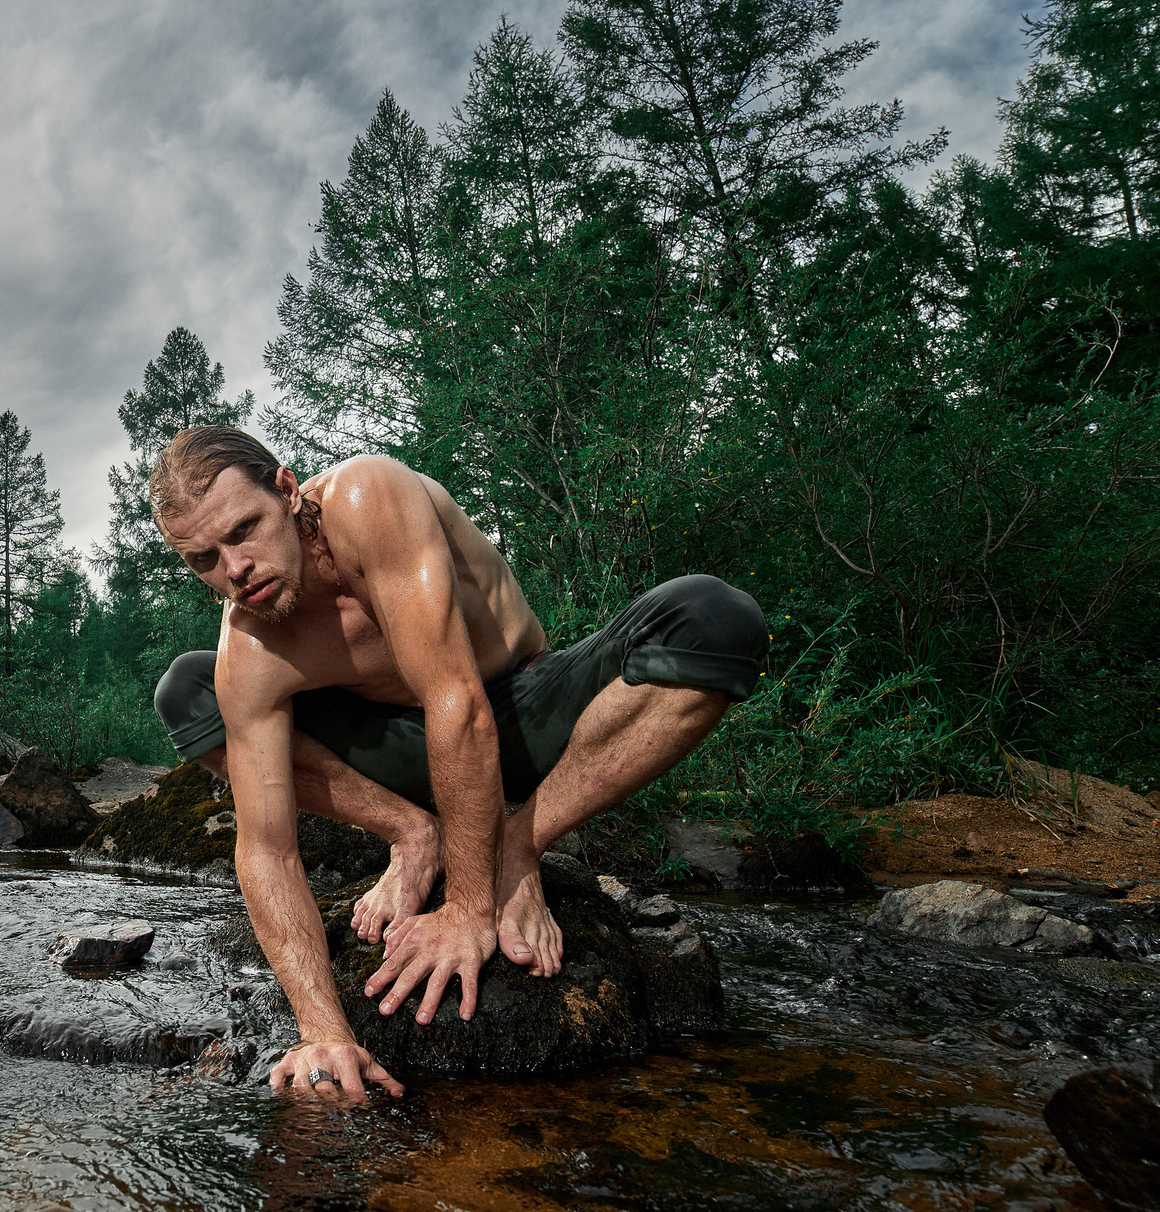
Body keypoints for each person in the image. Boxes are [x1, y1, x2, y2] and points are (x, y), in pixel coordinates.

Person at [147, 426, 765, 1104]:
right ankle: (415, 834)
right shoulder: (251, 647)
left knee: (713, 618)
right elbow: (266, 848)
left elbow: (458, 701)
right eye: (203, 557)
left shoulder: (366, 497)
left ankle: (520, 842)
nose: (234, 568)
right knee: (187, 690)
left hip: (517, 712)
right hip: (394, 754)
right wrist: (321, 1028)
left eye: (245, 530)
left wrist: (473, 903)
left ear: (288, 491)